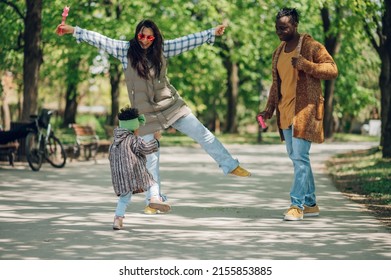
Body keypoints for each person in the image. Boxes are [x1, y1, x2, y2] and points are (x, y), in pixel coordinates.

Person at [56, 19, 251, 215]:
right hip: (145, 113)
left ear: (155, 37)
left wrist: (211, 33)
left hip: (170, 105)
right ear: (137, 34)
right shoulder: (125, 51)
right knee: (151, 157)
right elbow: (100, 39)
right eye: (142, 36)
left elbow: (188, 40)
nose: (145, 41)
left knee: (202, 132)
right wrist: (73, 30)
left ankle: (230, 165)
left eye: (150, 37)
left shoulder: (162, 50)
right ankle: (154, 199)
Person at [258, 8, 338, 221]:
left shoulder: (311, 46)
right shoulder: (278, 52)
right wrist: (269, 108)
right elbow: (277, 85)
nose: (280, 31)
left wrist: (306, 65)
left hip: (305, 111)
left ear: (295, 25)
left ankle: (297, 205)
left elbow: (332, 69)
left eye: (284, 27)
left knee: (300, 158)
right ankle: (311, 203)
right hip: (285, 112)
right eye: (277, 28)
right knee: (297, 158)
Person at [109, 105, 168, 230]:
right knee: (152, 184)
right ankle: (154, 199)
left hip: (120, 177)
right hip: (135, 172)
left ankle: (117, 220)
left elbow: (111, 157)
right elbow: (145, 148)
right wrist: (156, 140)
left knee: (124, 199)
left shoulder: (115, 142)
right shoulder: (133, 139)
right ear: (133, 127)